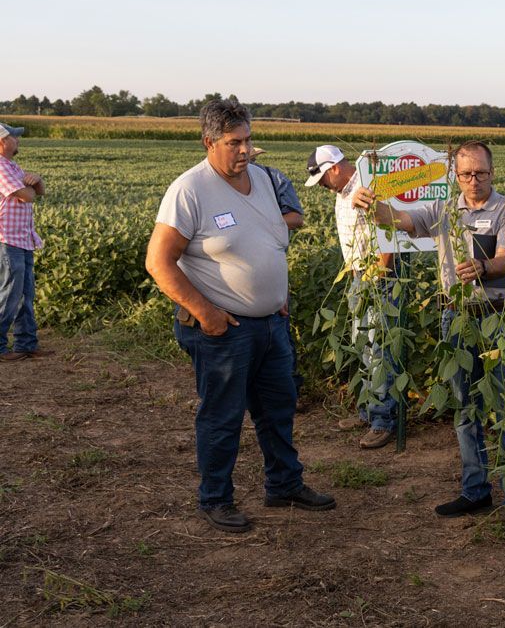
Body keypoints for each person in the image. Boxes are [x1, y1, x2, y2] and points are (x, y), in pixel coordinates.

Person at [145, 100, 335, 534]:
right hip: (222, 330)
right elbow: (158, 262)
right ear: (209, 142)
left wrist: (276, 293)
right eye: (234, 142)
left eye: (248, 140)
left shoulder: (264, 180)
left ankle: (284, 484)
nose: (245, 150)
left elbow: (270, 241)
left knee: (278, 410)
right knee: (222, 417)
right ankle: (216, 498)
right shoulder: (190, 190)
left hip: (271, 324)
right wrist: (206, 313)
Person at [352, 140, 505, 528]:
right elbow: (398, 219)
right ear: (456, 175)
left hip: (499, 317)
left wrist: (482, 268)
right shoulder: (444, 208)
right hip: (456, 317)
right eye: (465, 174)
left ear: (492, 172)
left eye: (480, 173)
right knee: (466, 408)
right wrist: (371, 205)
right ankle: (475, 490)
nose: (473, 181)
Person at [305, 144, 404, 450]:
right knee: (362, 343)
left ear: (334, 168)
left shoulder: (367, 187)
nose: (321, 185)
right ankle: (367, 409)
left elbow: (390, 231)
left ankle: (383, 421)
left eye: (322, 178)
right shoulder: (342, 192)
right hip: (358, 275)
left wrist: (380, 270)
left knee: (378, 348)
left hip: (378, 278)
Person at [249, 147, 305, 398]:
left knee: (278, 329)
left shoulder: (274, 179)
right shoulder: (210, 186)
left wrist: (259, 223)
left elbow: (295, 218)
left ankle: (287, 391)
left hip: (269, 264)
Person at [0, 122, 53, 361]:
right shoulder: (1, 168)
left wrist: (37, 179)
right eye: (14, 137)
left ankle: (26, 344)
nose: (18, 140)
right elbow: (27, 196)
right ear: (2, 142)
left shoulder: (12, 166)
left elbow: (38, 190)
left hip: (23, 239)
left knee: (25, 295)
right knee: (9, 294)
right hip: (6, 240)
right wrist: (30, 186)